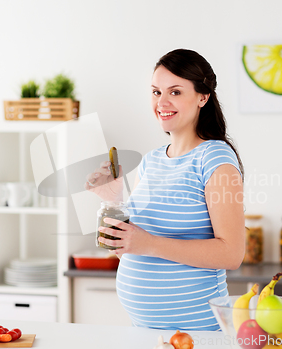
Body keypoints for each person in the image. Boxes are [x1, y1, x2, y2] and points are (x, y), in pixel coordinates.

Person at [85, 48, 245, 331]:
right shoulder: (151, 161)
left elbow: (231, 254)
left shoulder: (215, 159)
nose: (162, 102)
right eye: (156, 92)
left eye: (175, 92)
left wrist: (149, 244)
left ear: (202, 97)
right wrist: (113, 201)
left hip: (198, 332)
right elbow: (131, 248)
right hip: (146, 332)